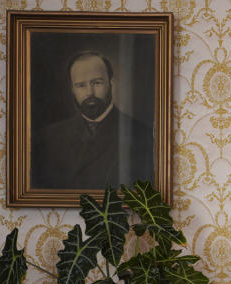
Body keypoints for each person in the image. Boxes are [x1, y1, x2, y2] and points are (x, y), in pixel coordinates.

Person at [31, 50, 154, 189]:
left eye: (97, 83)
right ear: (72, 89)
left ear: (111, 83)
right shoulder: (49, 138)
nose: (89, 92)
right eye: (81, 85)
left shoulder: (141, 134)